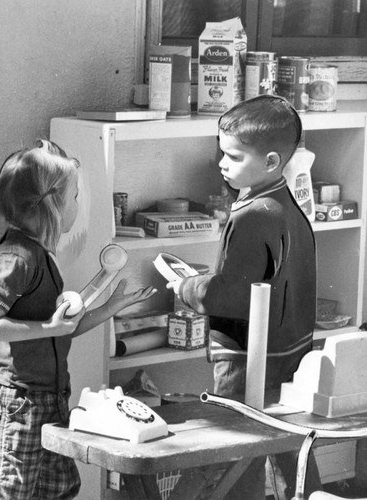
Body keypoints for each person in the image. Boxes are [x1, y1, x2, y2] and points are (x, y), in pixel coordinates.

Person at [0, 139, 156, 500]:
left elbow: (62, 329)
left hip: (46, 397)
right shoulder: (16, 258)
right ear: (51, 205)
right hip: (17, 399)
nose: (76, 206)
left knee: (57, 489)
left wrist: (109, 307)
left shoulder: (38, 255)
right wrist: (50, 328)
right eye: (73, 198)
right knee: (6, 491)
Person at [167, 95, 319, 499]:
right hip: (291, 352)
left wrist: (188, 287)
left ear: (271, 161)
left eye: (233, 157)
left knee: (229, 455)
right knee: (290, 449)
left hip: (248, 359)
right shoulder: (287, 203)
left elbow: (231, 297)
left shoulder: (252, 214)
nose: (221, 164)